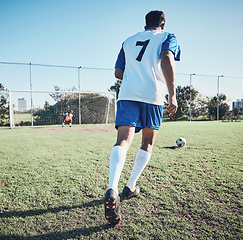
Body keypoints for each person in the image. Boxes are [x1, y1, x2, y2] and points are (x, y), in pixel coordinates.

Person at [104, 10, 181, 226]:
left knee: (123, 141)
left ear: (145, 24)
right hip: (152, 95)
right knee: (147, 142)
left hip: (127, 94)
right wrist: (172, 94)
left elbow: (118, 72)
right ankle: (130, 187)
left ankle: (113, 188)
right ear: (162, 24)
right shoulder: (168, 37)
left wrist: (135, 72)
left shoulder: (128, 41)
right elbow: (166, 57)